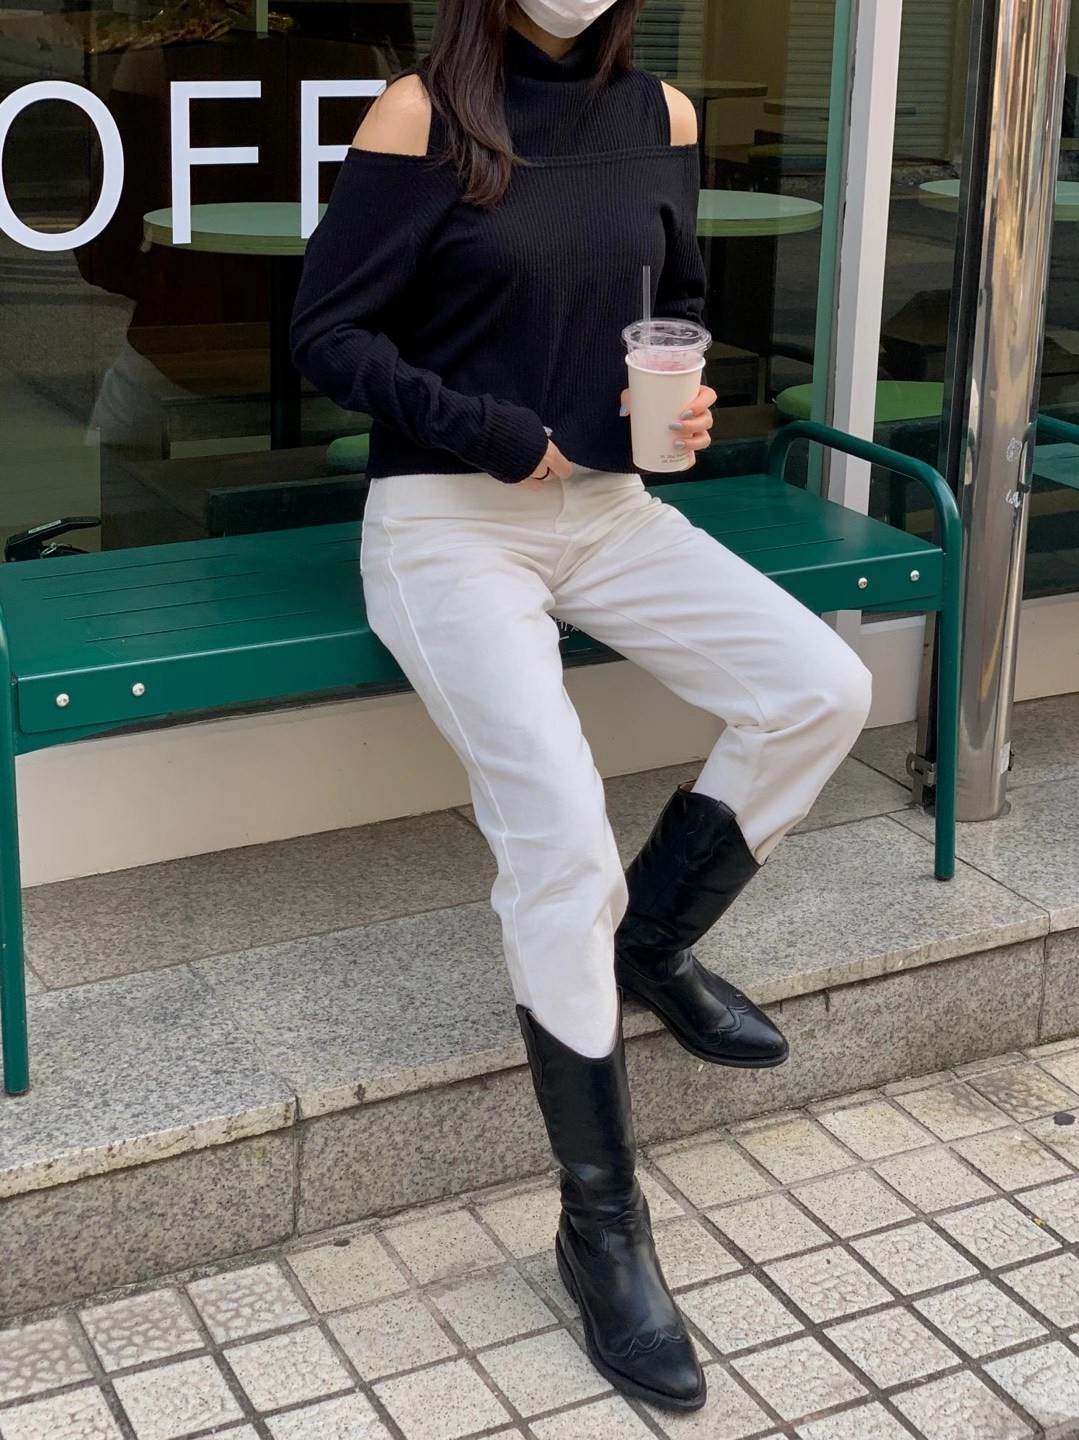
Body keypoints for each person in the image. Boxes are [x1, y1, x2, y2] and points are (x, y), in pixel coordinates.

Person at [291, 0, 872, 1411]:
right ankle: (601, 1228)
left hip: (609, 512)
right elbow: (326, 334)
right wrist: (492, 428)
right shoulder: (425, 115)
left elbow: (680, 306)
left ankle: (647, 944)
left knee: (820, 688)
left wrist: (678, 405)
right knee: (557, 834)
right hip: (449, 522)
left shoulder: (662, 116)